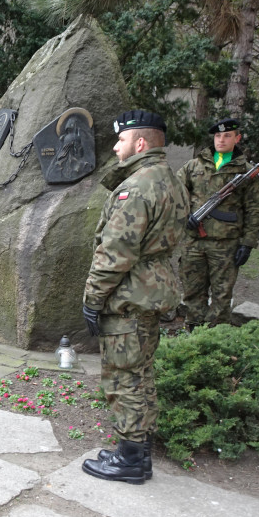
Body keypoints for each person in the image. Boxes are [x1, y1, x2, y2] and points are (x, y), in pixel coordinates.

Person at [81, 109, 189, 485]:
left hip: (129, 295)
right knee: (141, 375)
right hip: (152, 291)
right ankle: (138, 455)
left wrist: (92, 299)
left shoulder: (136, 187)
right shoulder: (170, 180)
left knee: (123, 378)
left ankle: (129, 460)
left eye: (121, 140)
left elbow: (115, 253)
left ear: (140, 143)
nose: (115, 147)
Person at [177, 117, 259, 330]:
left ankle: (215, 338)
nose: (221, 140)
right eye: (218, 135)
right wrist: (184, 216)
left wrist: (247, 243)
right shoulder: (193, 166)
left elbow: (255, 209)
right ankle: (193, 332)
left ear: (237, 138)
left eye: (227, 135)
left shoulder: (247, 172)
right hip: (194, 241)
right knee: (192, 291)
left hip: (226, 245)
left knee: (222, 294)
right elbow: (175, 194)